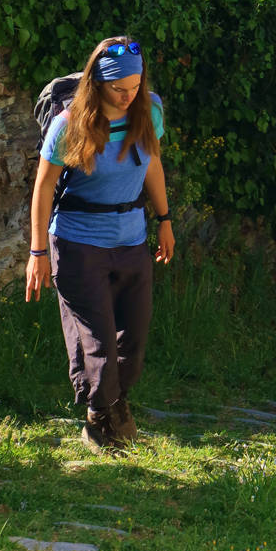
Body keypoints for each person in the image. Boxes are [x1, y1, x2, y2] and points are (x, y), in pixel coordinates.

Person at [25, 35, 175, 453]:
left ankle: (113, 403)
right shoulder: (69, 125)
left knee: (134, 339)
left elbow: (153, 165)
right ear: (98, 83)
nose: (128, 96)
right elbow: (43, 188)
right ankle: (99, 416)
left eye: (135, 87)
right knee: (99, 342)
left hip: (130, 239)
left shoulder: (149, 112)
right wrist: (38, 253)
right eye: (118, 89)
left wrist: (165, 220)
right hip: (77, 242)